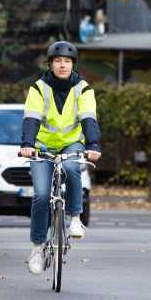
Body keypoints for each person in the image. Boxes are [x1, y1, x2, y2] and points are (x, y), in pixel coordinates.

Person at [20, 41, 102, 275]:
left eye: (67, 61)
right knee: (42, 194)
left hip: (71, 143)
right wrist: (27, 144)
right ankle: (37, 248)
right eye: (58, 61)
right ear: (51, 64)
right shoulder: (39, 88)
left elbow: (88, 118)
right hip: (42, 145)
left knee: (72, 167)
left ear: (73, 65)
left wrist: (93, 145)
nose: (62, 65)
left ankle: (75, 217)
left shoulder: (83, 89)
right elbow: (32, 119)